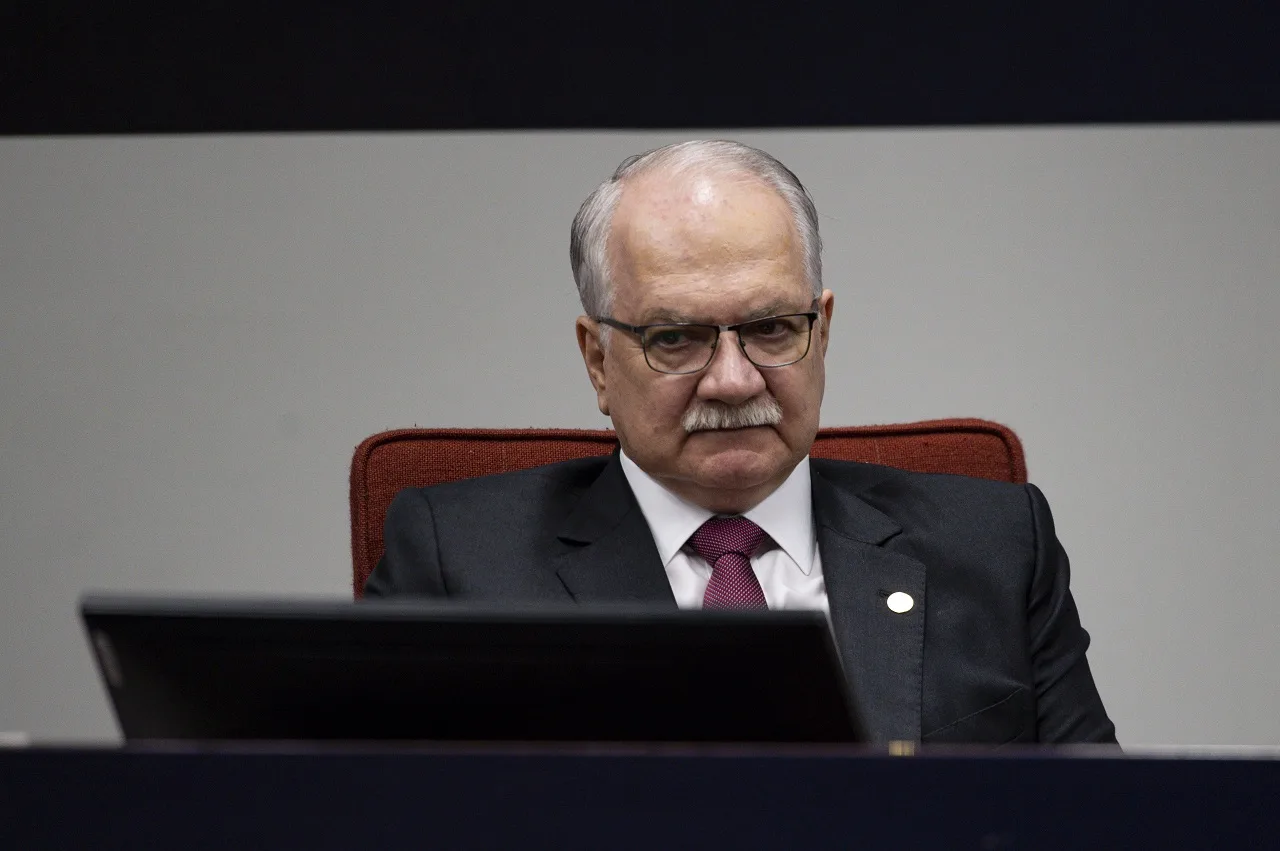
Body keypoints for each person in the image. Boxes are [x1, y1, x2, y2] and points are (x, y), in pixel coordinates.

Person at [365, 140, 1117, 745]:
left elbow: (1102, 821)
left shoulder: (994, 544)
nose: (733, 380)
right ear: (598, 360)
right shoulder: (458, 561)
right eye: (675, 337)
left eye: (770, 329)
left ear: (822, 331)